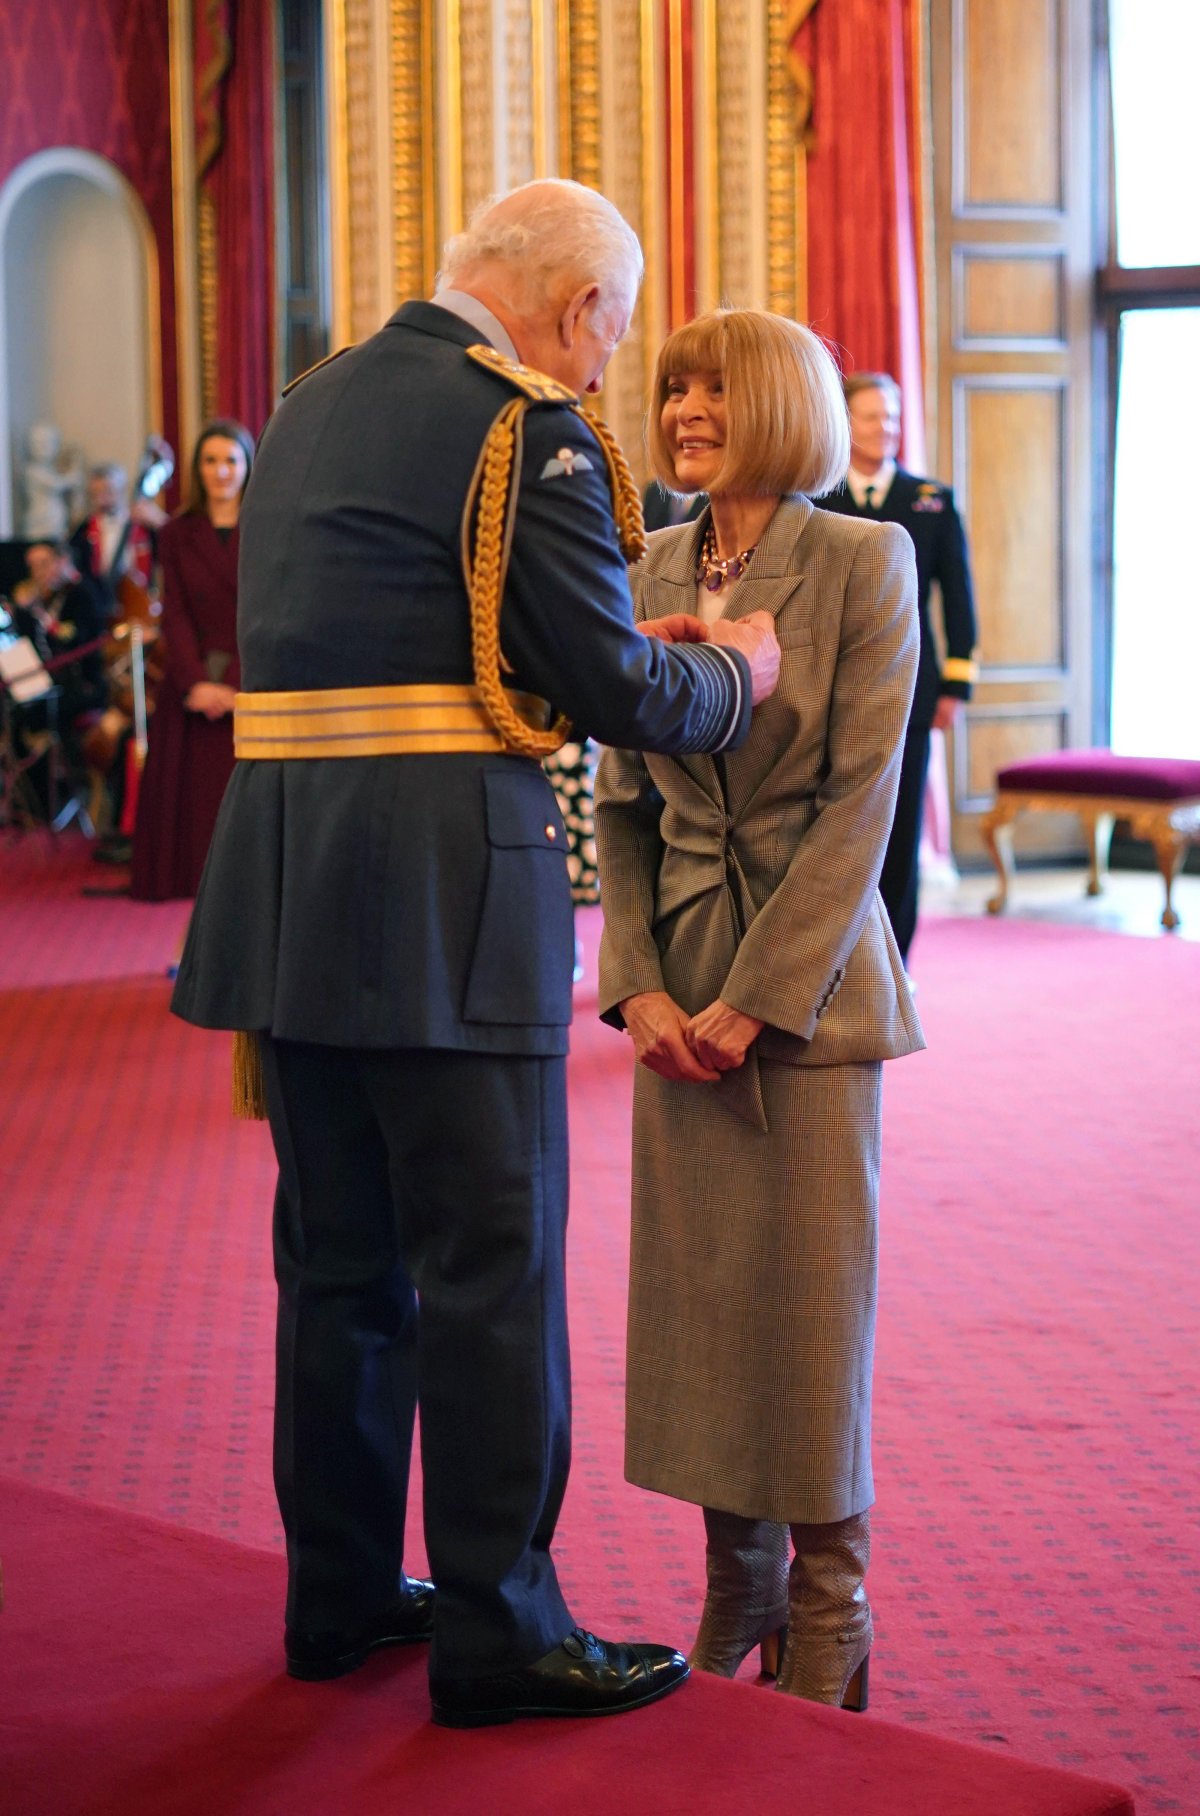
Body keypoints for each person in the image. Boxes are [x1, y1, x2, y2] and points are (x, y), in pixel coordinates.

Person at [170, 179, 782, 1728]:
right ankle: (503, 1627)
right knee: (490, 1274)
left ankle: (343, 1598)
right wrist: (740, 677)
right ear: (579, 313)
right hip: (450, 898)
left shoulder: (303, 408)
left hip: (291, 891)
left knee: (337, 1267)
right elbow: (612, 689)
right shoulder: (531, 430)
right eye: (612, 341)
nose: (603, 373)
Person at [595, 308, 924, 1710]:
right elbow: (618, 802)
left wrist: (753, 1000)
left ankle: (833, 1611)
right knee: (705, 1303)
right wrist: (644, 985)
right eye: (671, 388)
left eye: (712, 388)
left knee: (806, 1311)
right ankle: (739, 1582)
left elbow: (862, 804)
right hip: (678, 988)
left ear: (779, 402)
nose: (682, 410)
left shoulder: (864, 558)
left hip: (811, 991)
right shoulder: (645, 565)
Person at [815, 372, 979, 965]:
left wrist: (956, 682)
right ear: (843, 420)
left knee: (901, 824)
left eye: (892, 416)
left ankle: (894, 964)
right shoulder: (816, 498)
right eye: (870, 416)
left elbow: (957, 597)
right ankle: (833, 957)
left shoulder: (929, 499)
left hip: (911, 686)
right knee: (832, 824)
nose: (884, 428)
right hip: (829, 685)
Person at [129, 421, 253, 901]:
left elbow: (266, 608)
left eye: (231, 460)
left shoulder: (265, 524)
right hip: (191, 683)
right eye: (210, 461)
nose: (221, 471)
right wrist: (195, 683)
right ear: (197, 469)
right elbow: (174, 613)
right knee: (190, 830)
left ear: (247, 466)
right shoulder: (178, 532)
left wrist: (240, 685)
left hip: (250, 684)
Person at [69, 461, 165, 624]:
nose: (102, 499)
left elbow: (170, 553)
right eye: (96, 493)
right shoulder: (84, 529)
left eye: (108, 491)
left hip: (138, 601)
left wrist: (160, 522)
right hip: (99, 606)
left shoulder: (142, 525)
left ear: (121, 489)